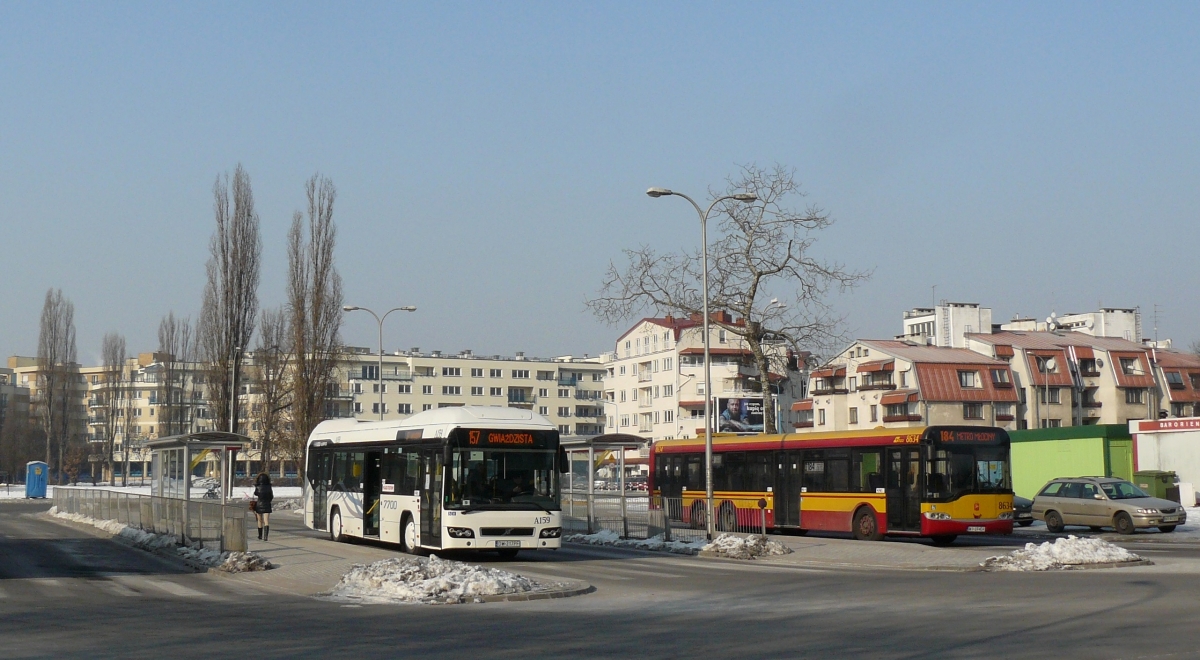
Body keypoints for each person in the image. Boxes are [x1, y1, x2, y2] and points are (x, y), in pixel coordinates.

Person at [254, 472, 274, 541]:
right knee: (266, 521)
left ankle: (260, 535)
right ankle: (266, 536)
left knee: (260, 521)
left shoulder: (258, 487)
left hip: (259, 505)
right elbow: (271, 496)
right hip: (267, 505)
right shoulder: (269, 487)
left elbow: (256, 493)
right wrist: (268, 500)